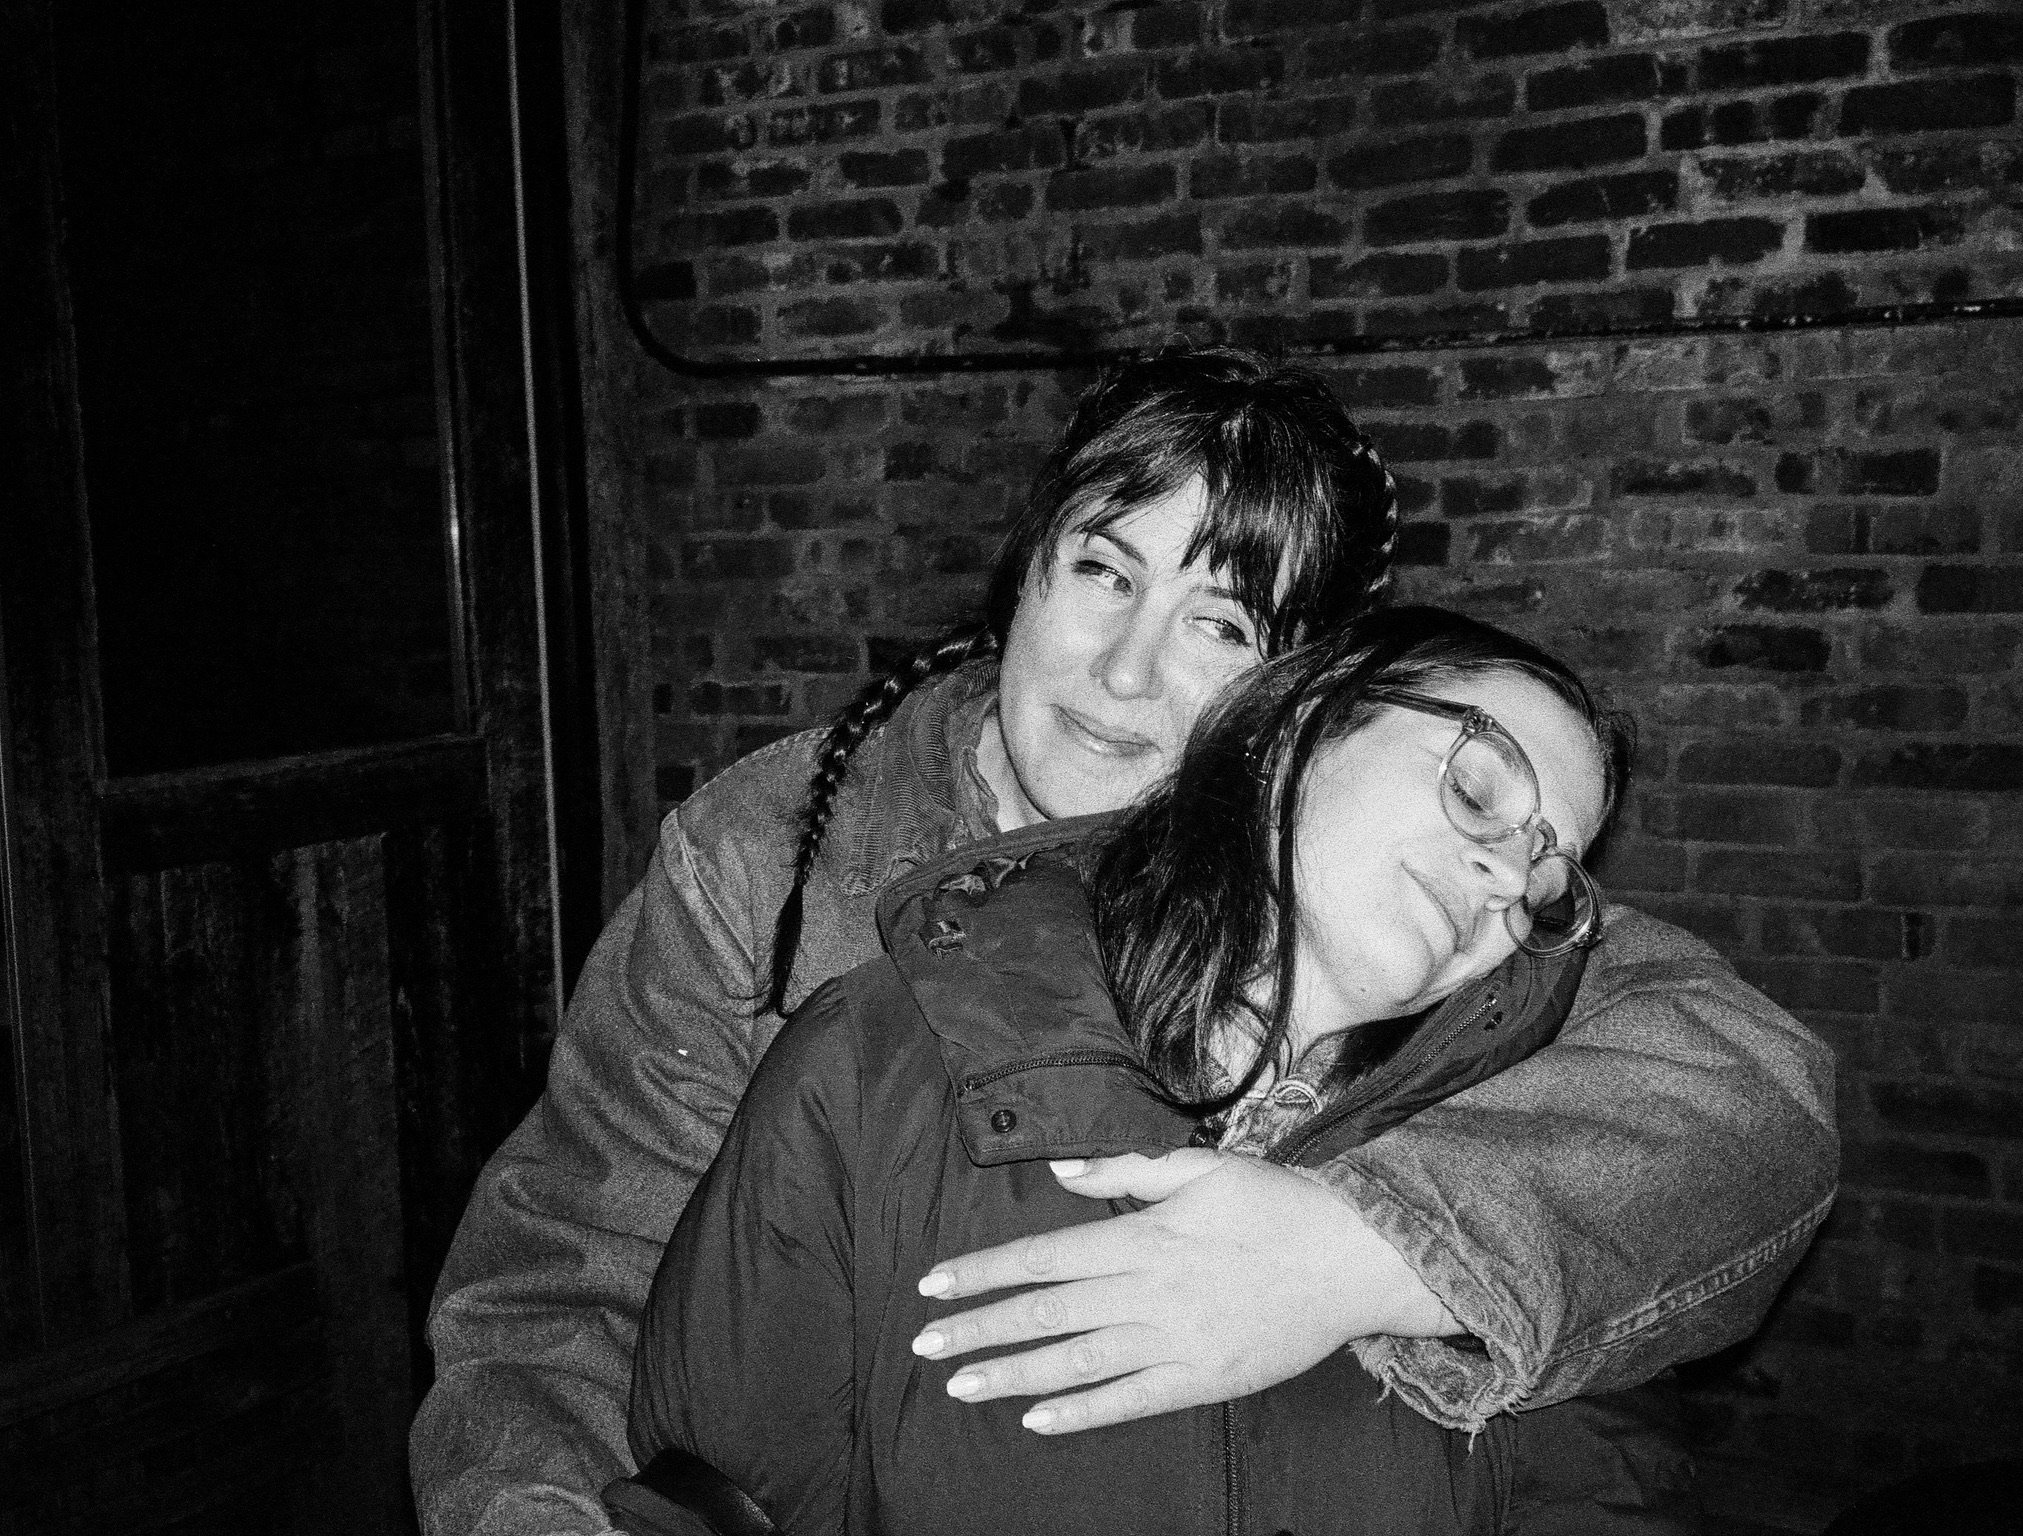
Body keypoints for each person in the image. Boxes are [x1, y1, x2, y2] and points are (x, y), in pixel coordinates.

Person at [410, 348, 1837, 1536]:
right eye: (1103, 574)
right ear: (1024, 570)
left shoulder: (1415, 914)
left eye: (1218, 621)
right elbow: (571, 1274)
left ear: (1297, 696)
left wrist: (1361, 1251)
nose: (1126, 669)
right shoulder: (773, 859)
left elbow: (1740, 1099)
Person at [604, 607, 1689, 1536]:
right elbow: (717, 1498)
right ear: (1299, 732)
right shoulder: (877, 1064)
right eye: (1481, 785)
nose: (1508, 870)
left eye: (1551, 869)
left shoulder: (1537, 1166)